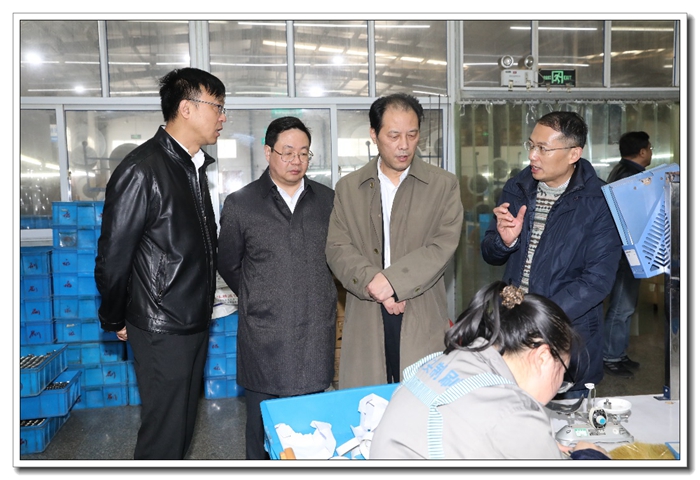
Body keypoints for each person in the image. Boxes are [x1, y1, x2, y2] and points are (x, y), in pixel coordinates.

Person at [95, 68, 226, 459]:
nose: (223, 117)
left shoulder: (193, 168)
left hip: (192, 319)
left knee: (181, 428)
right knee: (163, 437)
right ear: (186, 108)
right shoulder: (142, 169)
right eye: (217, 107)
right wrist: (115, 318)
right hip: (161, 325)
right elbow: (113, 257)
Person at [369, 281, 609, 460]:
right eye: (563, 372)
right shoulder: (515, 412)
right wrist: (590, 456)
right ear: (543, 357)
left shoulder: (453, 358)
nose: (560, 385)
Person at [217, 116, 337, 460]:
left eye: (303, 153)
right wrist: (260, 295)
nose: (296, 160)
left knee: (310, 426)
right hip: (265, 334)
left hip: (315, 329)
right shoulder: (241, 204)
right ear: (268, 152)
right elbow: (228, 262)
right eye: (287, 152)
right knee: (261, 425)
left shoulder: (328, 201)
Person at [326, 93, 463, 389]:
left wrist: (393, 283)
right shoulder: (349, 188)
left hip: (421, 306)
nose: (404, 145)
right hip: (367, 306)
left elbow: (442, 245)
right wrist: (373, 283)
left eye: (412, 135)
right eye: (394, 135)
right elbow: (337, 247)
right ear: (374, 134)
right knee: (368, 398)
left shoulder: (443, 185)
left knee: (420, 398)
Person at [481, 111, 621, 398]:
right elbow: (490, 253)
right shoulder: (517, 187)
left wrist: (539, 318)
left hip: (568, 333)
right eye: (531, 145)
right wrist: (505, 242)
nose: (532, 156)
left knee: (566, 417)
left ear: (574, 154)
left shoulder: (600, 201)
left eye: (543, 149)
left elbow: (596, 281)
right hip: (513, 329)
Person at [602, 131, 653, 378]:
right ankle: (610, 356)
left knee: (624, 306)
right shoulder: (630, 177)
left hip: (624, 252)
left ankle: (617, 353)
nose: (650, 152)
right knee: (621, 306)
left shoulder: (622, 172)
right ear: (642, 151)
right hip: (626, 254)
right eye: (650, 148)